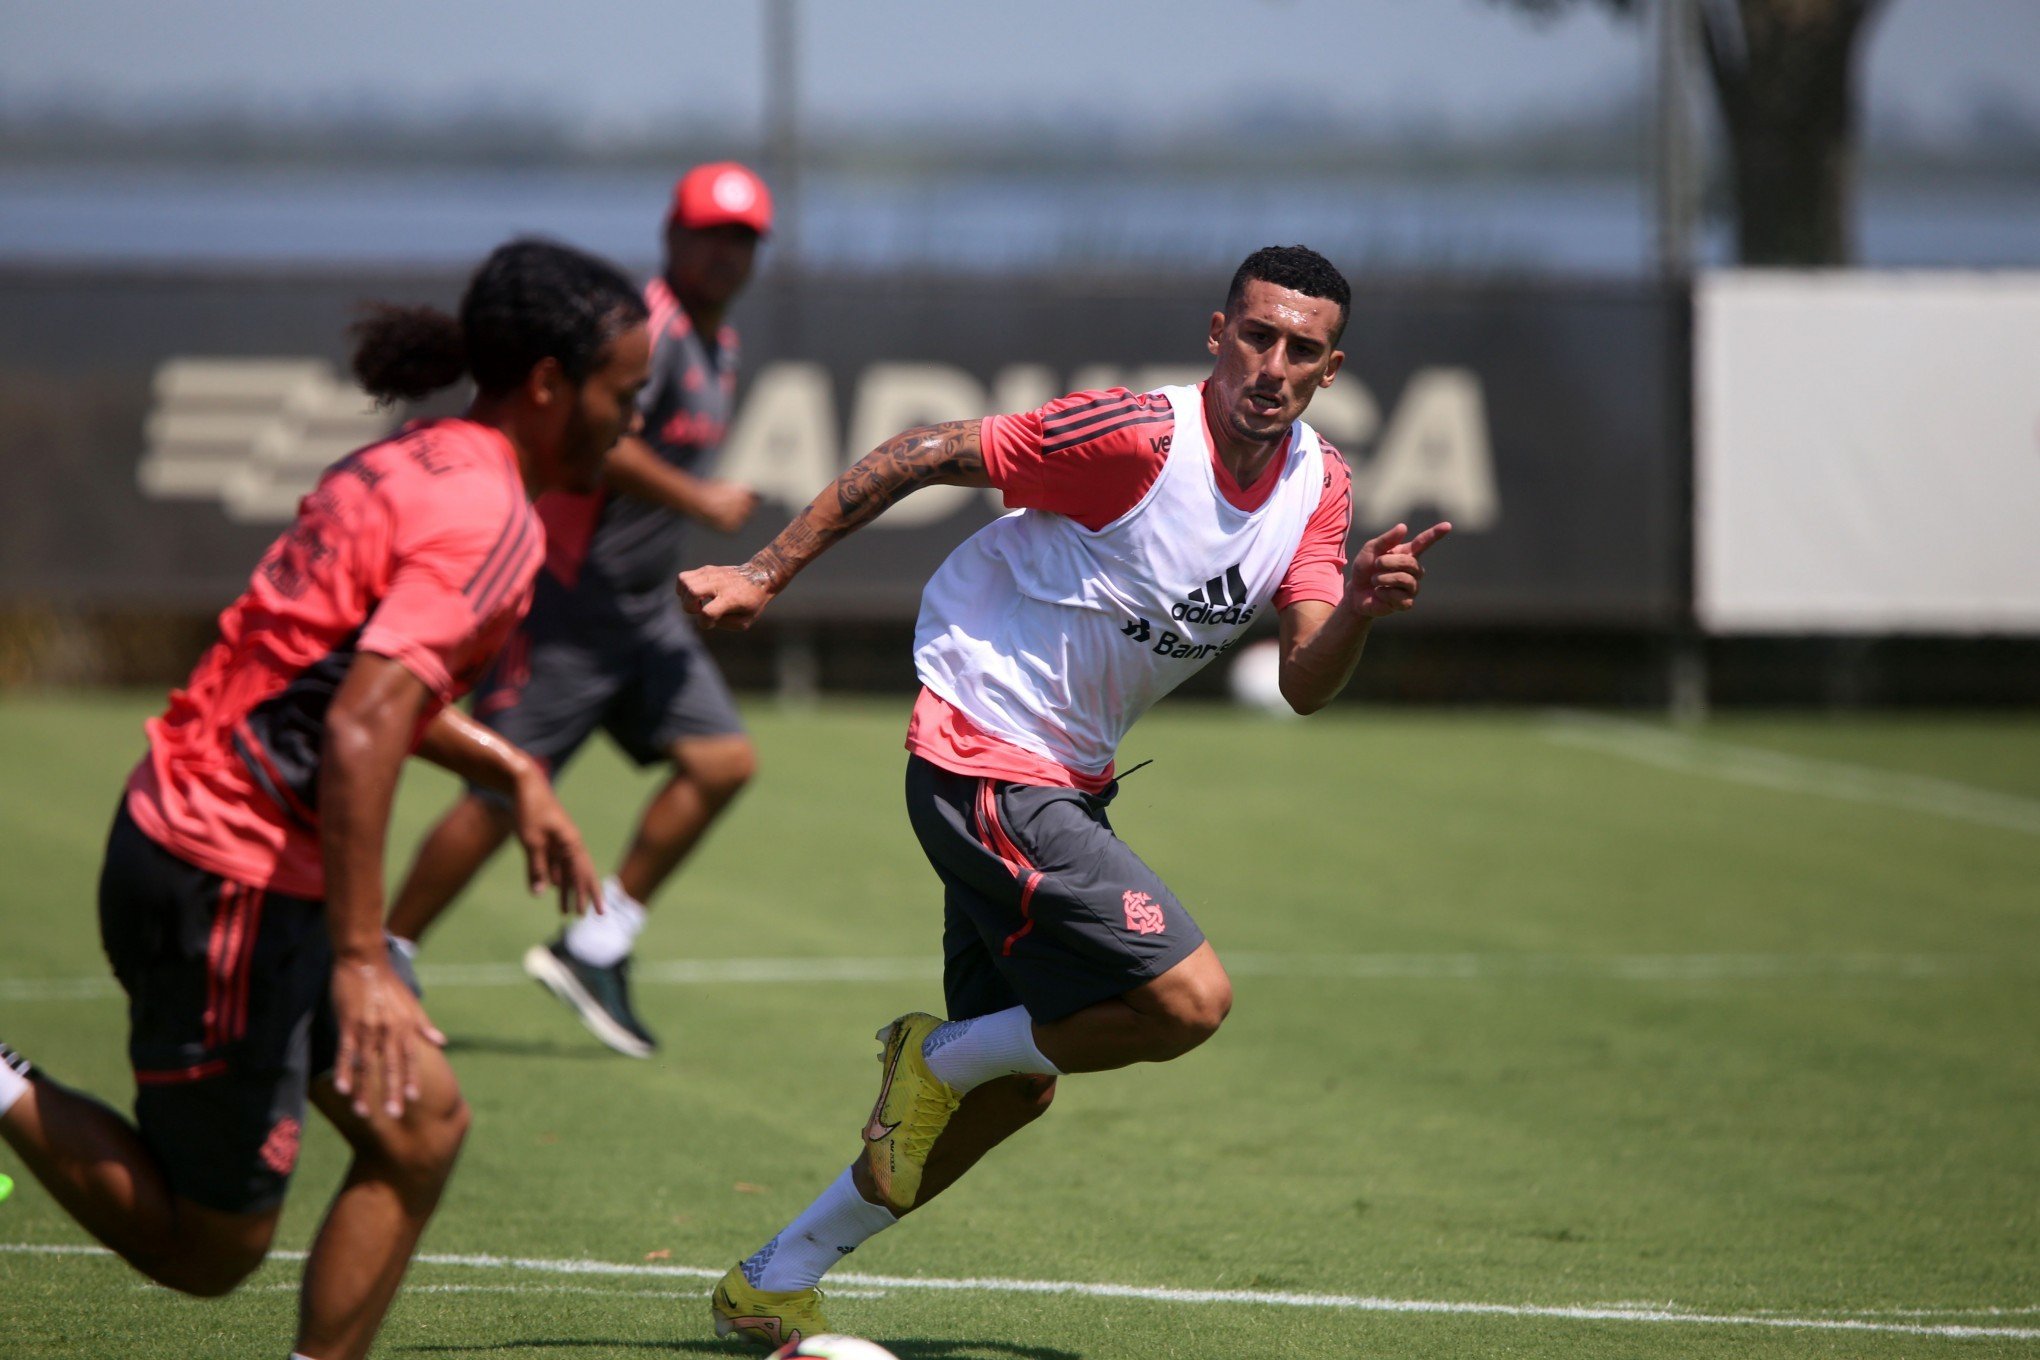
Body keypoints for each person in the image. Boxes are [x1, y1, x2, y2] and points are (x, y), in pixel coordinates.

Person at [681, 244, 1452, 1348]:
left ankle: (773, 1275)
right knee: (1187, 1002)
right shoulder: (1136, 438)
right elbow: (923, 449)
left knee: (1018, 1084)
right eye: (1256, 335)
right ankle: (932, 1055)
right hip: (982, 751)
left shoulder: (1318, 487)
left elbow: (1304, 681)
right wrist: (763, 571)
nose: (1272, 365)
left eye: (1302, 350)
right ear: (1217, 333)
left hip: (1065, 782)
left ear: (1331, 371)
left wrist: (1361, 613)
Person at [0, 238, 650, 1360]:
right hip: (230, 877)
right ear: (549, 384)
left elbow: (352, 683)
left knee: (420, 1130)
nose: (629, 424)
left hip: (204, 840)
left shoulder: (416, 458)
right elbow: (357, 725)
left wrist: (513, 767)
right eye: (623, 394)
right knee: (212, 1251)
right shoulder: (498, 524)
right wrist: (362, 960)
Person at [385, 162, 772, 1058]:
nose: (726, 255)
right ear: (672, 236)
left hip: (639, 612)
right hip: (565, 600)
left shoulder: (721, 343)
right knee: (498, 794)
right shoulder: (648, 331)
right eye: (712, 235)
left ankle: (596, 941)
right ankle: (382, 954)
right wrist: (697, 499)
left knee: (722, 761)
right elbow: (598, 436)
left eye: (743, 240)